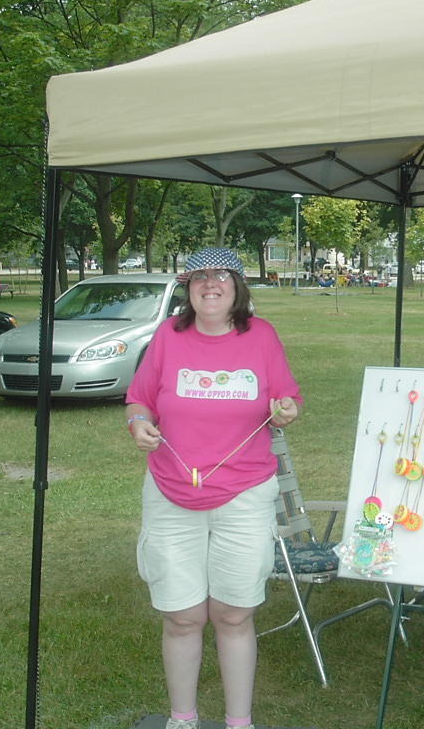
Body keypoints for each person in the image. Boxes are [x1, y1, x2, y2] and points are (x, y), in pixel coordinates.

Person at [125, 247, 302, 729]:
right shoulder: (168, 335)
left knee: (233, 615)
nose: (210, 284)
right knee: (182, 617)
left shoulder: (261, 336)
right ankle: (183, 719)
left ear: (238, 286)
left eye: (220, 275)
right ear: (188, 288)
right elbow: (139, 399)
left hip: (244, 493)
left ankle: (237, 722)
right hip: (170, 491)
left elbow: (287, 398)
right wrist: (139, 423)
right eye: (199, 276)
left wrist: (286, 409)